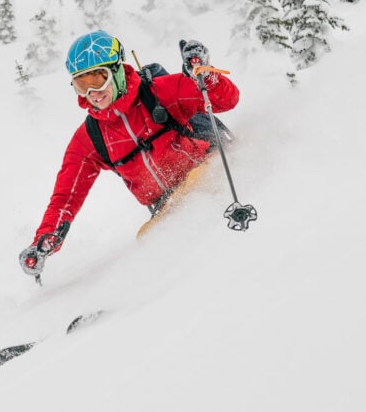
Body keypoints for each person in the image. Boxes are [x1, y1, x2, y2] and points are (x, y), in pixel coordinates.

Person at [19, 30, 240, 277]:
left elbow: (227, 100)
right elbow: (65, 199)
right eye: (82, 84)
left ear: (116, 71)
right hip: (168, 207)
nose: (93, 92)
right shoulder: (90, 139)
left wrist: (204, 76)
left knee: (203, 199)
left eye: (98, 79)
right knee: (148, 242)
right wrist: (45, 241)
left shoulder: (159, 92)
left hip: (210, 169)